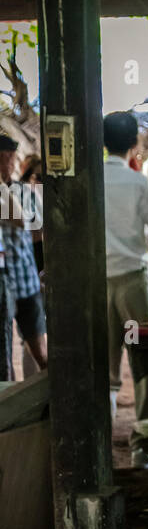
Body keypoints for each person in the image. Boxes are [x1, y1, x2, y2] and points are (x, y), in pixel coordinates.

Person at [103, 110, 148, 468]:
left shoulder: (90, 182)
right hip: (133, 284)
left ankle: (102, 446)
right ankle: (142, 449)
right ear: (134, 144)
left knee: (105, 365)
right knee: (144, 363)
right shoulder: (139, 184)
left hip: (96, 285)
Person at [0, 135, 47, 373]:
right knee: (4, 355)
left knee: (39, 349)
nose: (7, 165)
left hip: (26, 281)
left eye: (10, 159)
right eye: (2, 159)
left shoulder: (24, 192)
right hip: (3, 284)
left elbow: (34, 227)